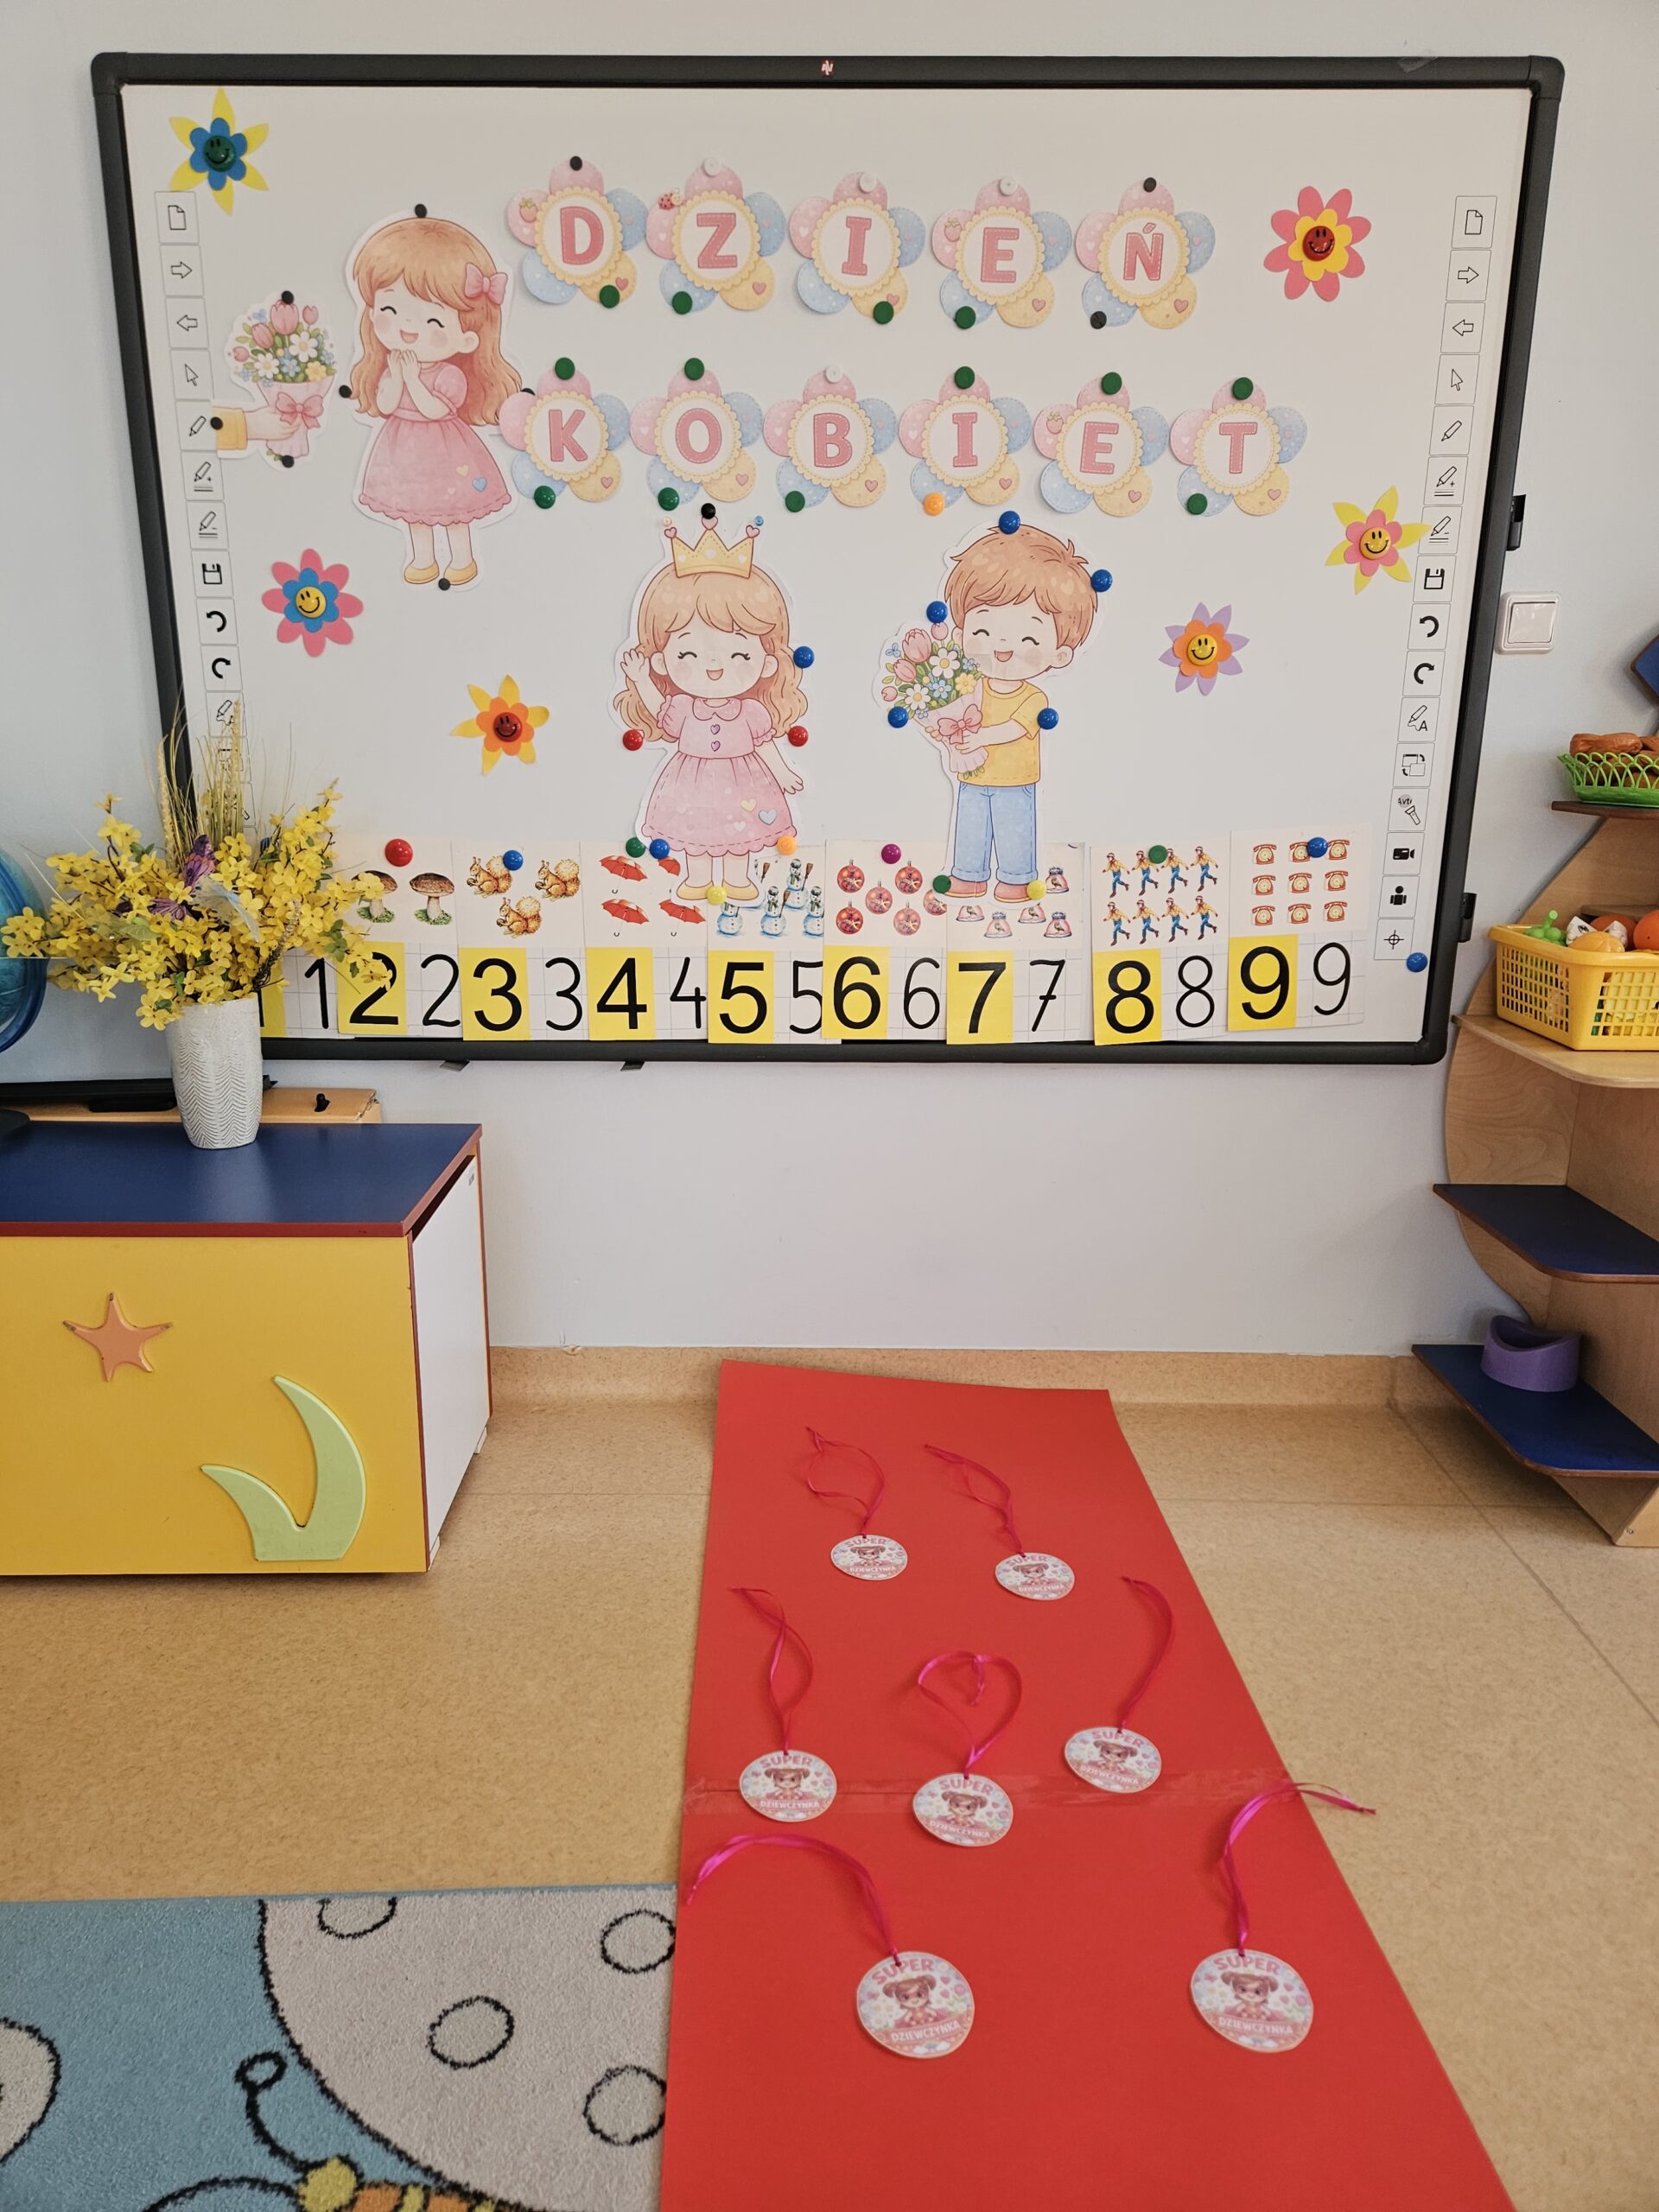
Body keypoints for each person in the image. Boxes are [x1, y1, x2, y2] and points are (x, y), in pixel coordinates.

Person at [613, 521, 805, 902]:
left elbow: (765, 743)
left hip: (745, 781)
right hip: (692, 780)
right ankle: (698, 878)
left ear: (767, 663)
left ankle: (737, 878)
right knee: (696, 829)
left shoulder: (751, 711)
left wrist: (783, 772)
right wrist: (640, 679)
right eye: (688, 653)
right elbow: (660, 710)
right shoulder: (683, 707)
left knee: (741, 832)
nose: (715, 666)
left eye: (740, 654)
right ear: (662, 661)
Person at [346, 213, 518, 587]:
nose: (408, 329)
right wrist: (397, 377)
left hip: (445, 452)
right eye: (390, 311)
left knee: (454, 510)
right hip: (403, 451)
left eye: (434, 322)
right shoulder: (393, 365)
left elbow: (436, 410)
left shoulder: (449, 374)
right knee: (415, 511)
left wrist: (412, 379)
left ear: (467, 339)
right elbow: (386, 405)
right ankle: (423, 559)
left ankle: (462, 559)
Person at [934, 524, 1100, 899]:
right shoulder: (968, 685)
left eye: (1028, 637)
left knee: (1014, 829)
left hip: (1015, 779)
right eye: (984, 631)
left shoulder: (1034, 697)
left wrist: (980, 736)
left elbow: (1014, 727)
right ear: (960, 636)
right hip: (972, 775)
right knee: (970, 827)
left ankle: (1016, 878)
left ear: (1060, 654)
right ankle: (968, 875)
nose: (1003, 647)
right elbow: (952, 716)